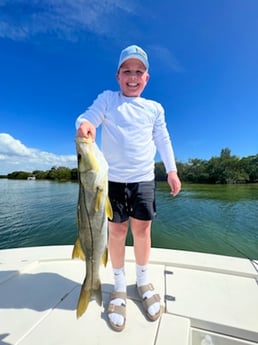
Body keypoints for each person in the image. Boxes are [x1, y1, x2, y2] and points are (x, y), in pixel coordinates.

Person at [76, 45, 181, 331]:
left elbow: (163, 139)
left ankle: (143, 281)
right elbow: (88, 116)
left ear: (146, 78)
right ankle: (119, 288)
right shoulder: (108, 100)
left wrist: (171, 171)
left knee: (143, 231)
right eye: (127, 71)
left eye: (139, 71)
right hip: (111, 181)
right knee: (117, 232)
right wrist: (85, 125)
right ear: (118, 75)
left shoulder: (154, 108)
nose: (132, 76)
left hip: (144, 179)